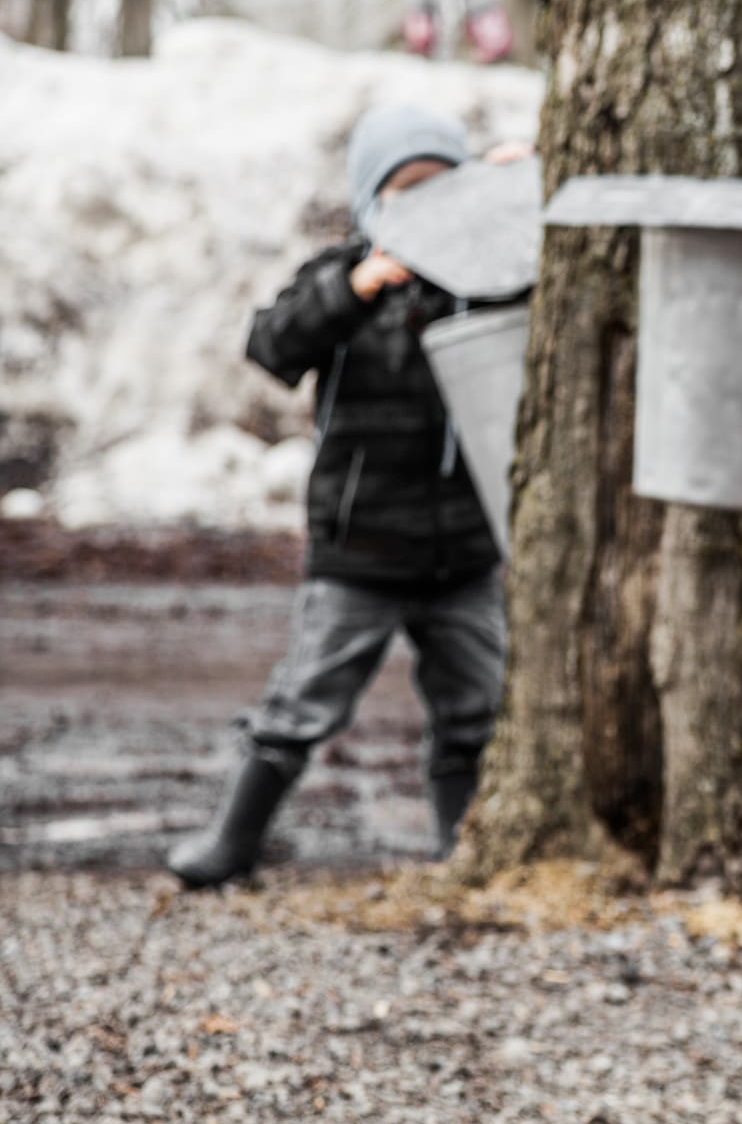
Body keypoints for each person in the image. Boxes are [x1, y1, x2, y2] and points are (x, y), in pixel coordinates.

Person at [167, 105, 515, 889]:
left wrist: (513, 185)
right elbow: (273, 342)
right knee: (303, 703)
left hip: (465, 551)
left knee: (476, 712)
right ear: (371, 202)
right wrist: (356, 288)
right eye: (405, 193)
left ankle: (461, 850)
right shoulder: (345, 277)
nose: (425, 211)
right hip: (357, 553)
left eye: (443, 191)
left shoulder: (487, 283)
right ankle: (234, 839)